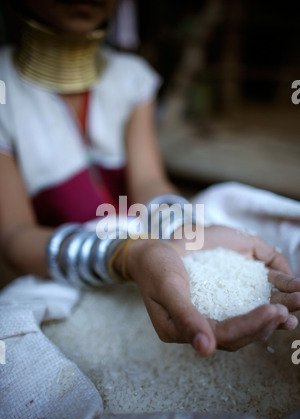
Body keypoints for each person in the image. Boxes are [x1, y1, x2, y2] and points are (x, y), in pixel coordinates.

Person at [0, 0, 299, 361]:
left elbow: (149, 182)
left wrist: (188, 232)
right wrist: (127, 255)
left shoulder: (130, 77)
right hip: (60, 270)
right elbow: (15, 237)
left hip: (149, 250)